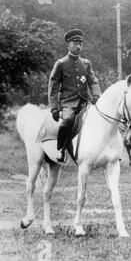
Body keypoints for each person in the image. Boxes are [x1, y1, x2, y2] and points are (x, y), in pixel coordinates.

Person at [48, 29, 101, 162]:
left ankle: (104, 149)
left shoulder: (86, 63)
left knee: (101, 118)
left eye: (80, 44)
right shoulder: (60, 64)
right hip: (68, 103)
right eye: (75, 43)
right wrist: (54, 108)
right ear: (68, 45)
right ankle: (61, 150)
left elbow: (93, 81)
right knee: (67, 122)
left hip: (85, 101)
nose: (78, 47)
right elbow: (53, 87)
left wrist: (96, 94)